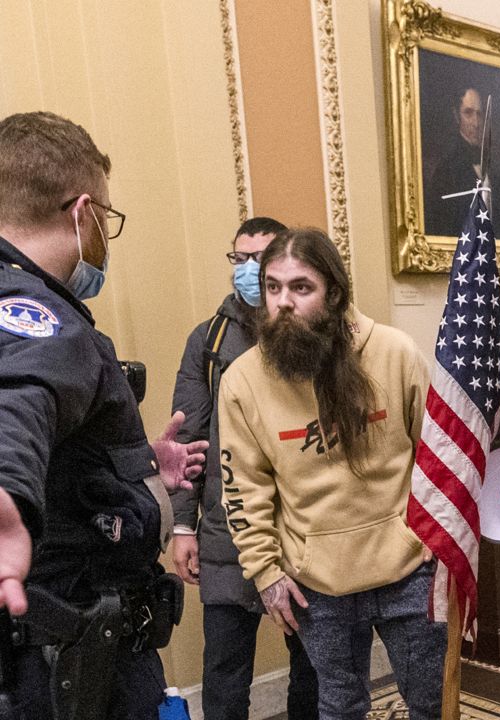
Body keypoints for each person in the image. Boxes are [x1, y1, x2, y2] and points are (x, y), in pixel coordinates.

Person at [0, 110, 208, 718]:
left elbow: (62, 456)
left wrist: (137, 467)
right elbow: (19, 394)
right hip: (74, 662)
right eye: (106, 219)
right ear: (83, 212)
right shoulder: (37, 315)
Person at [218, 228, 446, 719]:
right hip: (315, 580)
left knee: (430, 702)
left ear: (334, 294)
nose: (283, 302)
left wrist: (442, 549)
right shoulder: (242, 381)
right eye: (273, 287)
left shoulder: (395, 353)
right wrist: (265, 573)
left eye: (301, 288)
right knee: (340, 706)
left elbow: (435, 458)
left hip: (406, 567)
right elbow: (243, 489)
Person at [169, 216, 319, 720]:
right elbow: (187, 439)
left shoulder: (312, 334)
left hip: (303, 530)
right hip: (224, 533)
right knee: (226, 677)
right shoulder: (208, 340)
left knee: (313, 669)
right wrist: (183, 526)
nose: (249, 270)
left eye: (262, 258)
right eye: (240, 258)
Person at [423, 85, 500, 241]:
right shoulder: (446, 172)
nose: (476, 123)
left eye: (480, 114)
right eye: (468, 113)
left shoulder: (497, 170)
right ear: (456, 116)